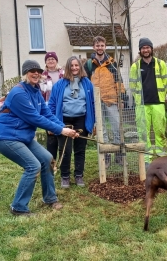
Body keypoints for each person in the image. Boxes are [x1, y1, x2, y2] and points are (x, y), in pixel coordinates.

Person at [0, 59, 79, 216]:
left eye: (38, 71)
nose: (36, 73)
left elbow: (46, 113)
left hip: (23, 136)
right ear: (25, 73)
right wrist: (61, 130)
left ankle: (50, 198)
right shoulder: (18, 93)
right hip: (5, 137)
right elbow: (35, 119)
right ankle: (18, 207)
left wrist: (65, 127)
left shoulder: (35, 91)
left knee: (46, 159)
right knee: (33, 166)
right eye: (32, 71)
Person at [49, 56, 95, 188]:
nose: (74, 68)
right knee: (65, 149)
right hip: (64, 119)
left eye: (77, 65)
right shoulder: (59, 84)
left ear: (80, 67)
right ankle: (65, 176)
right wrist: (52, 123)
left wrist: (94, 122)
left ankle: (79, 175)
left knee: (80, 149)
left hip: (81, 119)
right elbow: (52, 104)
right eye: (72, 66)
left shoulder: (87, 83)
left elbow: (92, 103)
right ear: (68, 68)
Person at [84, 36, 125, 168]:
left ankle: (119, 155)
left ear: (105, 47)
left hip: (111, 100)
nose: (99, 48)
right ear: (93, 47)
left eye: (102, 45)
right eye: (97, 45)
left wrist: (121, 99)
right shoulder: (89, 64)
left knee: (117, 127)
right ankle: (106, 155)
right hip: (96, 101)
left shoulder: (112, 63)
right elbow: (85, 82)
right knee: (102, 131)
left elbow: (119, 82)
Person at [129, 37, 167, 166]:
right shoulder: (135, 66)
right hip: (142, 105)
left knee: (160, 131)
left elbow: (165, 81)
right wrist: (138, 99)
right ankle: (146, 161)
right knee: (143, 133)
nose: (145, 50)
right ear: (140, 50)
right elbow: (132, 85)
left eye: (147, 47)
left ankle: (162, 158)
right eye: (143, 48)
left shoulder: (160, 64)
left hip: (158, 103)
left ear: (151, 49)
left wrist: (161, 95)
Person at [41, 51, 65, 162]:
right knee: (51, 136)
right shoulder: (42, 76)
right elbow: (40, 93)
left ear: (56, 61)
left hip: (62, 108)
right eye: (48, 59)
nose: (51, 61)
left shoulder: (63, 74)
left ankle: (62, 161)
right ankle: (52, 162)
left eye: (53, 59)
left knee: (62, 134)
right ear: (46, 62)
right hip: (48, 109)